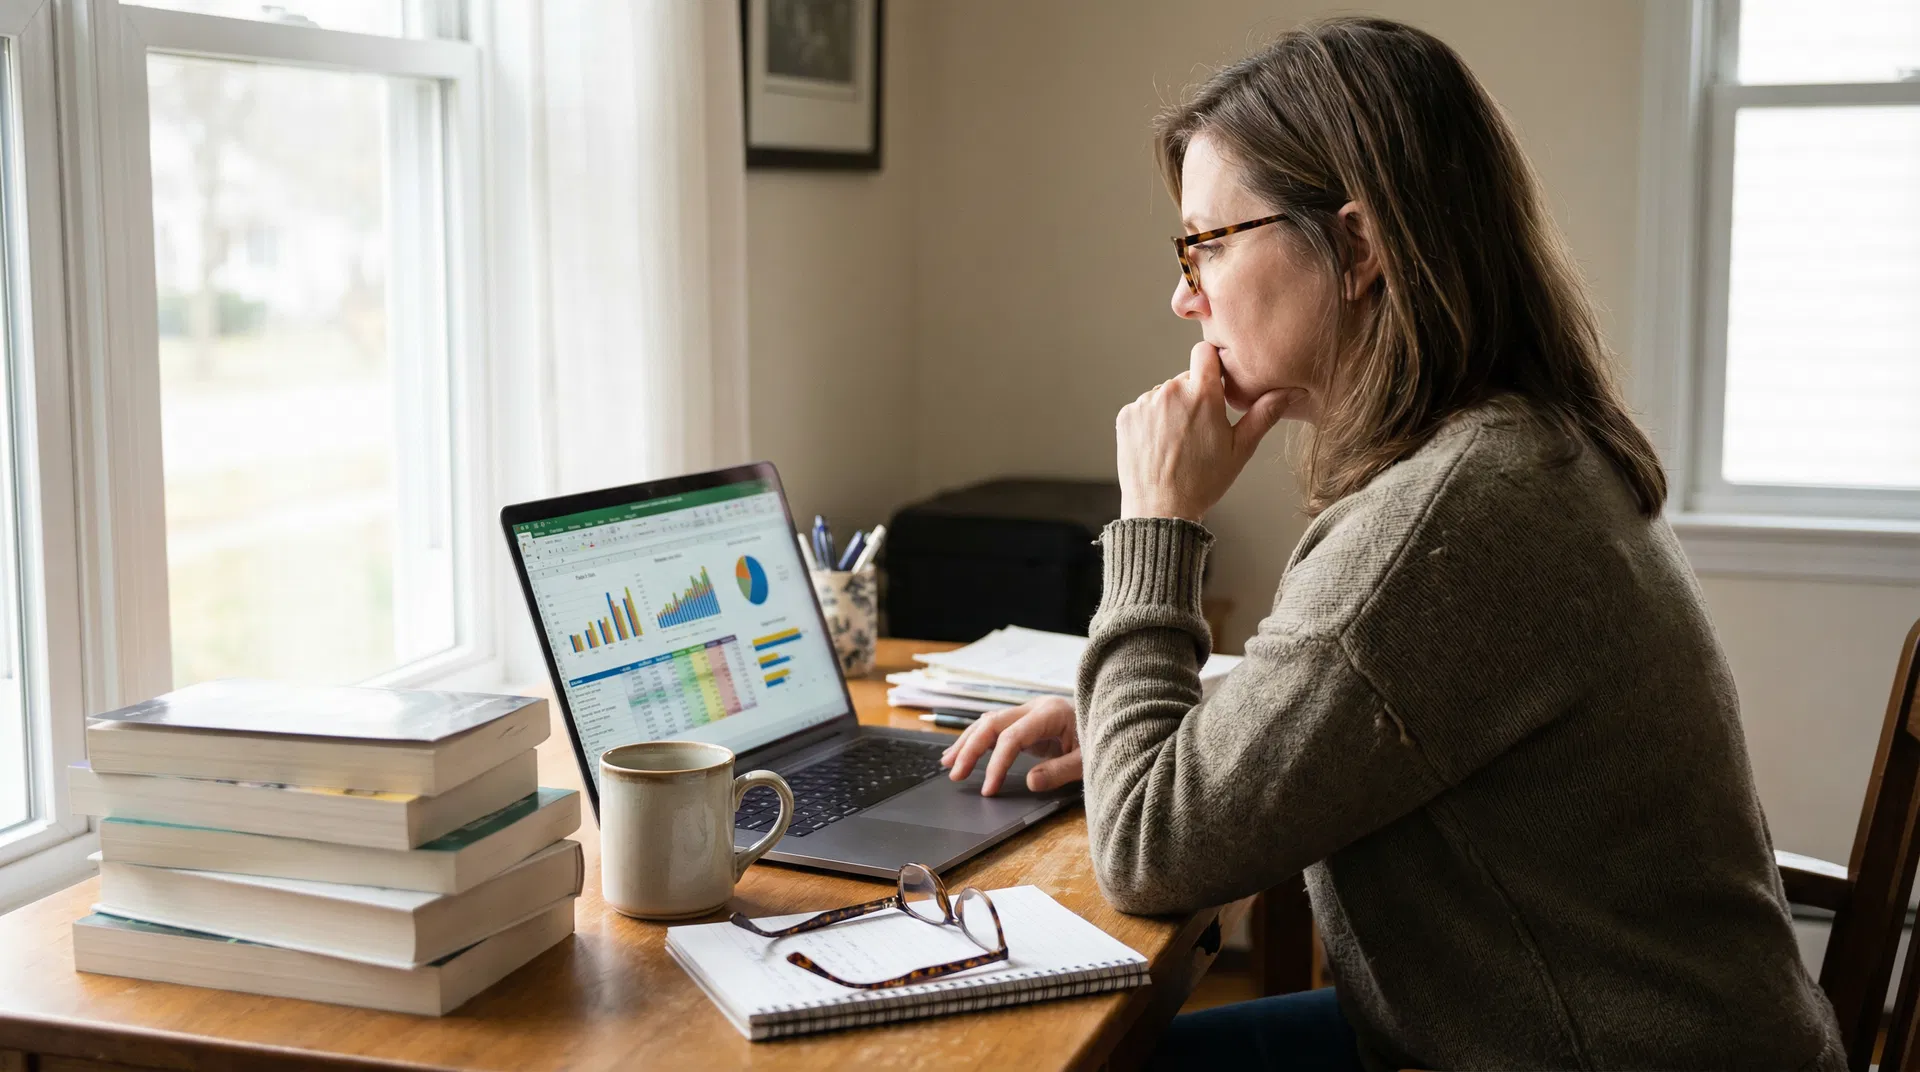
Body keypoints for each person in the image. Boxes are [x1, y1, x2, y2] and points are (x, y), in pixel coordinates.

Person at [936, 16, 1845, 1072]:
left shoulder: (1450, 521)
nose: (1185, 294)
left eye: (1209, 242)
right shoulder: (1513, 451)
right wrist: (1174, 731)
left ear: (1359, 247)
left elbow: (1147, 848)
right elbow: (1385, 700)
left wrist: (1157, 521)